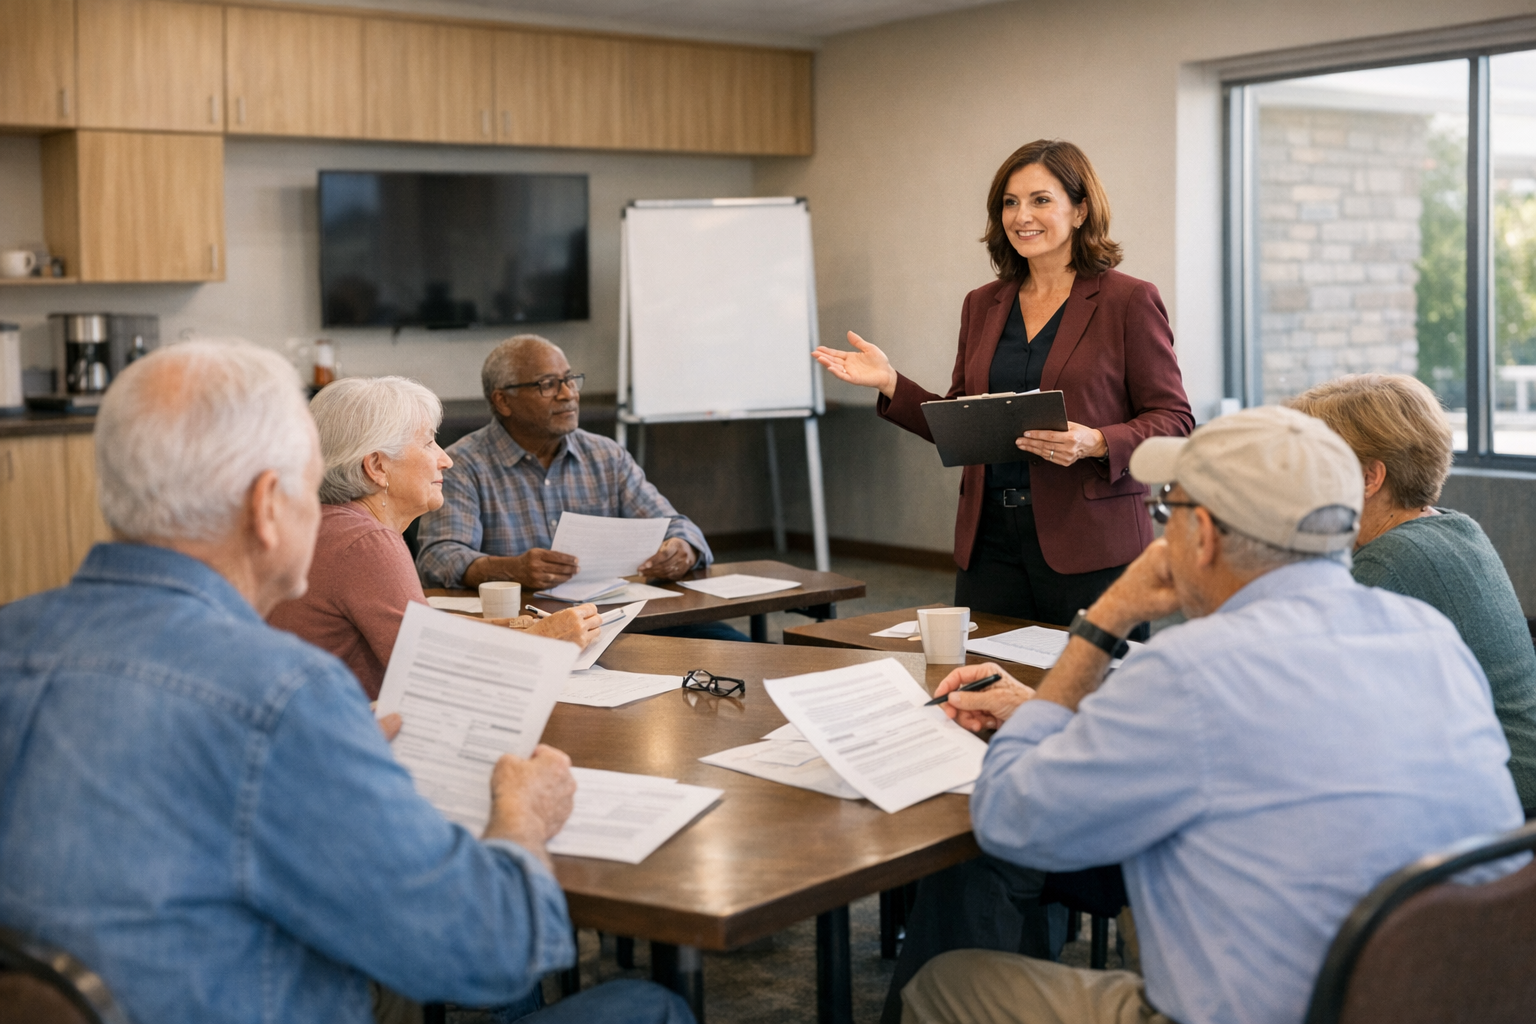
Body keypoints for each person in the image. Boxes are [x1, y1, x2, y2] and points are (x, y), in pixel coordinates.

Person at [0, 341, 691, 1024]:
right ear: (270, 504)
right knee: (649, 1006)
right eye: (311, 486)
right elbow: (490, 949)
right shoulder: (284, 694)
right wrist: (521, 816)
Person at [899, 406, 1523, 1024]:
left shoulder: (1188, 669)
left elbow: (1010, 816)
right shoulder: (1429, 635)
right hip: (1457, 994)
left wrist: (1105, 620)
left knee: (945, 983)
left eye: (1167, 512)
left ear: (1202, 536)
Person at [814, 139, 1193, 625]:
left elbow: (1175, 420)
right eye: (1009, 203)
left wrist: (1097, 441)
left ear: (1080, 210)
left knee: (1090, 689)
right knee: (987, 687)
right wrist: (891, 382)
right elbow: (961, 422)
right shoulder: (982, 304)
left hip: (1090, 541)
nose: (1021, 216)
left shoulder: (1129, 300)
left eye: (1040, 200)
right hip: (989, 540)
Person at [1290, 373, 1536, 816]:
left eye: (1312, 466)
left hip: (1499, 800)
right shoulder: (1453, 526)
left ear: (1369, 477)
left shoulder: (1389, 563)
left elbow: (1306, 697)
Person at [268, 375, 601, 700]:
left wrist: (522, 625)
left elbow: (422, 627)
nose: (446, 459)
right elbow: (435, 676)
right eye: (428, 443)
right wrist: (544, 640)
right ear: (377, 467)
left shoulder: (323, 525)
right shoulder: (366, 541)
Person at [417, 334, 746, 642]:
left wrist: (682, 549)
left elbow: (676, 526)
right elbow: (438, 557)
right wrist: (511, 569)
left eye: (570, 379)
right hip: (527, 630)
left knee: (739, 652)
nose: (568, 394)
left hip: (620, 618)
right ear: (503, 401)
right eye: (548, 385)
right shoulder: (462, 464)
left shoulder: (604, 455)